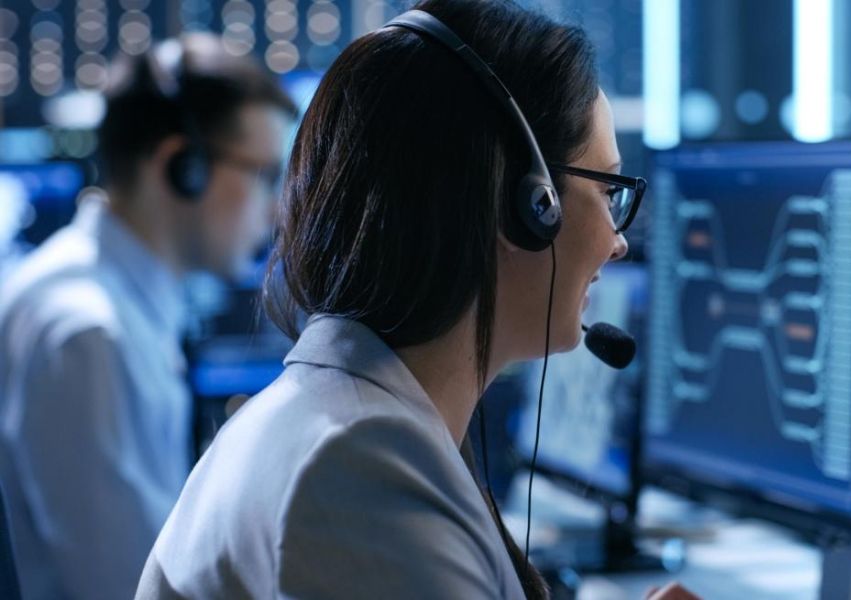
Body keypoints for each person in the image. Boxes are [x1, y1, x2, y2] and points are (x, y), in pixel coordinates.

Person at [136, 1, 697, 598]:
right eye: (608, 190)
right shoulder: (359, 474)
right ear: (528, 205)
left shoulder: (343, 425)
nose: (618, 242)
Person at [0, 34, 295, 599]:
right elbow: (132, 587)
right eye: (262, 173)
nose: (276, 206)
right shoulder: (90, 338)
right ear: (183, 168)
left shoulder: (100, 300)